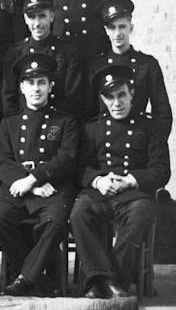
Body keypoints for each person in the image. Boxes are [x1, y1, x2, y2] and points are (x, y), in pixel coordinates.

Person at [71, 65, 170, 298]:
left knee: (142, 213)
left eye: (121, 95)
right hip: (100, 193)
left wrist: (130, 180)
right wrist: (98, 181)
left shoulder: (150, 126)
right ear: (103, 99)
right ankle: (105, 279)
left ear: (132, 93)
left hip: (133, 195)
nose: (116, 102)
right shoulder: (92, 128)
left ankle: (109, 281)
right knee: (78, 213)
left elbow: (161, 170)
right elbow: (80, 169)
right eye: (110, 97)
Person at [0, 53, 78, 296]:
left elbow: (67, 158)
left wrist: (34, 178)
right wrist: (29, 184)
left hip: (53, 189)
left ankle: (25, 278)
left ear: (51, 86)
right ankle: (40, 279)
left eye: (41, 83)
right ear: (21, 87)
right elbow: (3, 162)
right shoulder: (9, 123)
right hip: (19, 189)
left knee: (55, 221)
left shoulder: (65, 121)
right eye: (30, 83)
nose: (36, 89)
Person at [87, 0, 172, 135]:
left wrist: (156, 145)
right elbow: (89, 113)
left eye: (122, 27)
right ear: (106, 31)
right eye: (112, 28)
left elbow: (162, 113)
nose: (118, 33)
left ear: (130, 27)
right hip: (105, 144)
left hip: (138, 141)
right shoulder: (95, 67)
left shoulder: (147, 64)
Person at [2, 0, 85, 119]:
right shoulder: (15, 53)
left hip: (58, 124)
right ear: (25, 19)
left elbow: (72, 97)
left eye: (42, 16)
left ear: (51, 16)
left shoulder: (68, 51)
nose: (37, 24)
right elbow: (9, 99)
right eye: (31, 17)